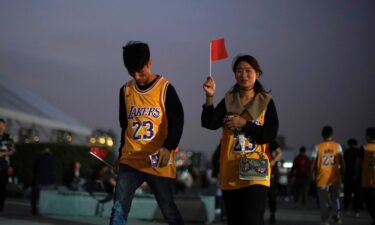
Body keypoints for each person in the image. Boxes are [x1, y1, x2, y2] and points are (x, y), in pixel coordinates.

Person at [109, 41, 184, 225]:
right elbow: (125, 126)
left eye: (140, 72)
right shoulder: (125, 91)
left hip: (157, 161)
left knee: (168, 209)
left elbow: (178, 121)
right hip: (131, 160)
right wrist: (120, 154)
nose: (137, 76)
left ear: (150, 63)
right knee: (118, 208)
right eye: (131, 72)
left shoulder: (165, 88)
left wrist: (168, 147)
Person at [202, 54, 279, 225]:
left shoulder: (265, 102)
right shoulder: (228, 100)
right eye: (239, 71)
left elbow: (269, 134)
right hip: (231, 169)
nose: (243, 75)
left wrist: (244, 124)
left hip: (255, 169)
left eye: (248, 71)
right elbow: (209, 123)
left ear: (257, 74)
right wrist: (209, 97)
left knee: (251, 220)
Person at [311, 126, 345, 225]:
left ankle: (325, 220)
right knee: (336, 198)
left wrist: (311, 175)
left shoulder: (317, 147)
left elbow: (313, 163)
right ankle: (337, 216)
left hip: (321, 177)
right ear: (332, 134)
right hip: (335, 176)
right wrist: (343, 174)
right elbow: (342, 162)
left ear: (322, 134)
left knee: (323, 201)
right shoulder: (337, 146)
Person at [356, 127, 375, 225]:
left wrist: (356, 174)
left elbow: (358, 164)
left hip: (367, 181)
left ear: (367, 136)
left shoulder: (364, 148)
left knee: (369, 203)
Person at [31, 147, 56, 215]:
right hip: (49, 182)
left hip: (39, 181)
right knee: (47, 198)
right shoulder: (52, 159)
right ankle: (47, 210)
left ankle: (35, 211)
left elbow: (34, 169)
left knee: (35, 197)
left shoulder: (39, 158)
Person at [343, 138, 362, 215]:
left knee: (347, 192)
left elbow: (343, 163)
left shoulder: (346, 152)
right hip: (357, 176)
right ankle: (356, 210)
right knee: (357, 193)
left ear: (349, 144)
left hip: (348, 175)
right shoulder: (359, 151)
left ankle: (347, 208)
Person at [0, 118, 15, 212]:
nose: (0, 127)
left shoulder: (8, 138)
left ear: (5, 127)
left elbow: (13, 151)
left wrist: (3, 154)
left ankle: (0, 207)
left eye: (2, 125)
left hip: (4, 167)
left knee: (2, 187)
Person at [268, 140, 282, 224]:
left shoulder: (271, 140)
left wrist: (273, 161)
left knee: (271, 194)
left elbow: (279, 153)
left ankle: (272, 213)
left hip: (271, 171)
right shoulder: (253, 137)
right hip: (256, 171)